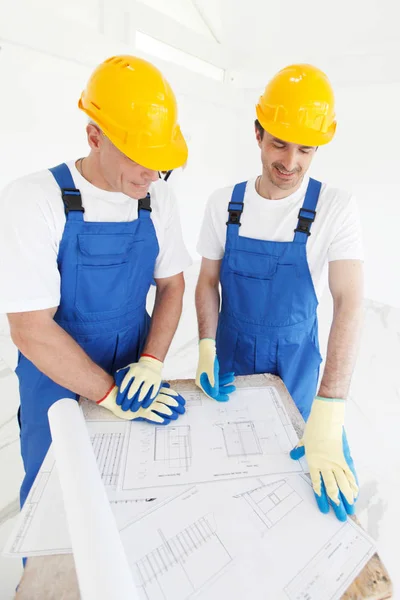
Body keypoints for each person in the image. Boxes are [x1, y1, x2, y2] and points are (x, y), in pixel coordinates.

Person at [0, 55, 192, 508]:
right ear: (94, 136)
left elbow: (172, 286)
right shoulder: (35, 200)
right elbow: (29, 328)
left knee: (135, 498)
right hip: (55, 376)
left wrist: (151, 362)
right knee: (58, 503)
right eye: (140, 160)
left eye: (160, 163)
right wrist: (105, 393)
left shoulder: (156, 198)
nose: (151, 176)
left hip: (134, 372)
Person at [195, 64, 363, 521]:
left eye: (305, 149)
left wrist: (330, 406)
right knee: (230, 498)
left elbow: (350, 302)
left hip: (300, 377)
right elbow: (207, 281)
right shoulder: (223, 204)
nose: (290, 162)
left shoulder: (335, 207)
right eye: (278, 144)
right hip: (229, 372)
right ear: (257, 132)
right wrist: (206, 344)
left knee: (325, 505)